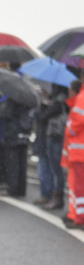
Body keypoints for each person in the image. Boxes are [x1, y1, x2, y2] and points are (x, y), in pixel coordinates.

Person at [0, 90, 34, 199]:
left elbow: (7, 114)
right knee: (22, 163)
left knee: (13, 163)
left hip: (13, 134)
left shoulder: (13, 99)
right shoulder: (28, 100)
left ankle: (13, 189)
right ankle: (21, 189)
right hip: (24, 134)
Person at [62, 80, 84, 228]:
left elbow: (76, 122)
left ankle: (80, 218)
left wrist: (68, 128)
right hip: (79, 152)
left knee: (79, 187)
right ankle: (76, 214)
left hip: (80, 152)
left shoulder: (82, 97)